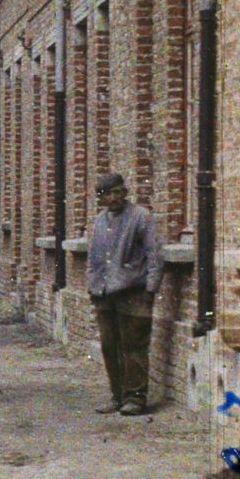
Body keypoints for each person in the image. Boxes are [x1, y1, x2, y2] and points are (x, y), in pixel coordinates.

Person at [86, 172, 163, 417]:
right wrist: (92, 285)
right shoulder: (99, 221)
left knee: (134, 346)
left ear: (125, 192)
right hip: (104, 294)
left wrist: (151, 289)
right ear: (101, 198)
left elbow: (155, 255)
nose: (114, 197)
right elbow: (93, 258)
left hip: (134, 292)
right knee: (110, 346)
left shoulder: (141, 217)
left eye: (118, 192)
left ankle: (135, 398)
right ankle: (117, 396)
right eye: (107, 194)